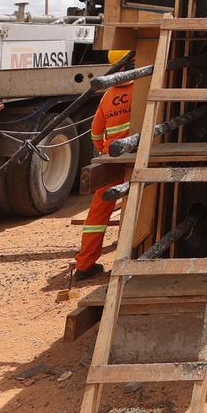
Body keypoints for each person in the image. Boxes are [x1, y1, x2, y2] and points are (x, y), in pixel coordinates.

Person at [76, 51, 135, 281]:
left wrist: (103, 147)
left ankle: (85, 264)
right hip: (135, 158)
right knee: (135, 203)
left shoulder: (107, 96)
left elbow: (96, 132)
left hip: (111, 160)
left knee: (98, 214)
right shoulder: (139, 90)